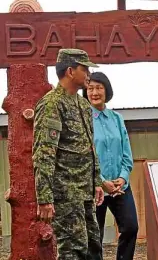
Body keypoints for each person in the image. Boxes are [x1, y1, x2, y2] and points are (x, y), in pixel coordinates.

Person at [32, 48, 104, 260]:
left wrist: (97, 182)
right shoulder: (51, 104)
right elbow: (43, 152)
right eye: (85, 69)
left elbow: (89, 147)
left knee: (93, 250)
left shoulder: (82, 104)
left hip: (86, 192)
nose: (89, 74)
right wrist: (44, 198)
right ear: (71, 71)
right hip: (65, 196)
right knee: (73, 253)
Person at [84, 72, 138, 260]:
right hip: (95, 188)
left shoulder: (117, 118)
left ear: (107, 90)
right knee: (94, 236)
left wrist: (122, 178)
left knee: (131, 226)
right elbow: (83, 156)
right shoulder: (83, 119)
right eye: (90, 88)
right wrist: (101, 181)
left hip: (120, 187)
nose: (94, 92)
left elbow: (126, 153)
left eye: (99, 87)